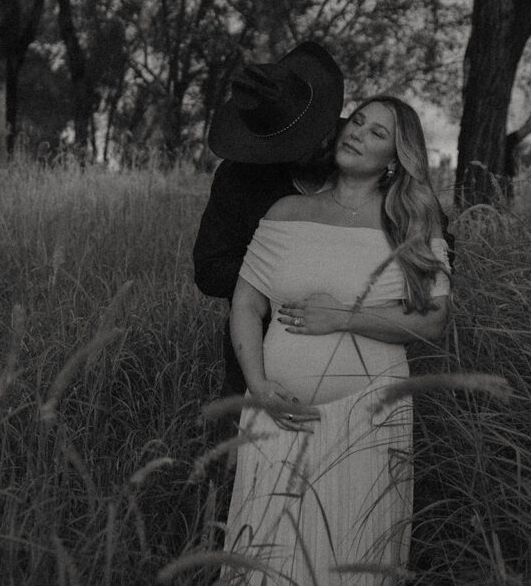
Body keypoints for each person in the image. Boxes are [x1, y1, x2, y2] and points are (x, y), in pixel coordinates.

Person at [221, 95, 451, 585]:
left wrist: (344, 316)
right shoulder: (286, 211)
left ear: (396, 157)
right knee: (266, 560)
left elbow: (433, 323)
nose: (357, 134)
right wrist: (257, 386)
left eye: (377, 133)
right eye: (358, 121)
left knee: (353, 560)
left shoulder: (410, 222)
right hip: (276, 413)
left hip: (369, 420)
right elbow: (246, 304)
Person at [193, 41, 345, 399]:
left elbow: (435, 247)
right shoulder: (238, 178)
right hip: (259, 353)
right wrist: (289, 273)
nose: (317, 144)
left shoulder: (374, 156)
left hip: (360, 351)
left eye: (319, 132)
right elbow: (210, 270)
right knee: (239, 452)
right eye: (297, 143)